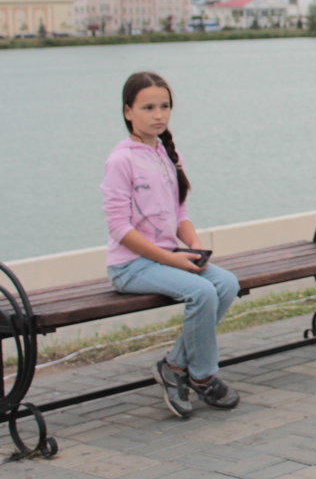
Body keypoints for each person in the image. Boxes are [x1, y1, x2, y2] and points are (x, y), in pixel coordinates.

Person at [102, 71, 240, 418]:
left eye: (164, 106)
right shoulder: (121, 160)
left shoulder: (166, 154)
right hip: (131, 266)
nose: (158, 114)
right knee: (202, 292)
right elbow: (119, 228)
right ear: (128, 111)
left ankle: (175, 366)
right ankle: (204, 375)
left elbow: (180, 211)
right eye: (148, 107)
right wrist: (171, 259)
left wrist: (192, 243)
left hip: (167, 258)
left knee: (226, 283)